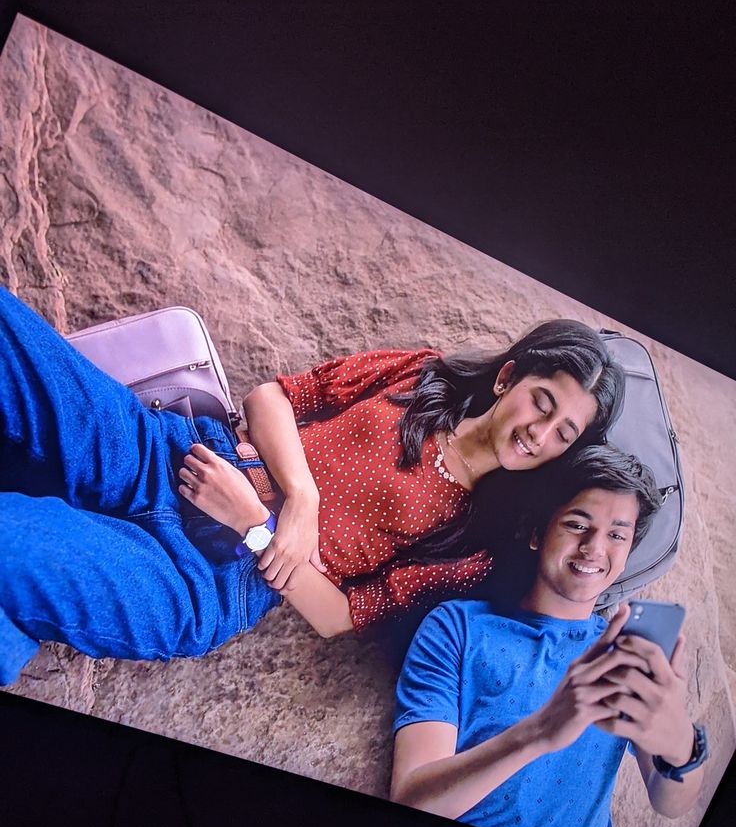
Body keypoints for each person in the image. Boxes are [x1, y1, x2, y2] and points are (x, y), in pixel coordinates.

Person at [0, 285, 623, 684]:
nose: (541, 434)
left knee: (15, 546)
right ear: (507, 378)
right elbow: (274, 395)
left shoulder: (473, 541)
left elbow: (338, 616)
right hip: (175, 459)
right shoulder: (420, 373)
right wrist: (301, 499)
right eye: (542, 403)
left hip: (210, 580)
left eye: (564, 433)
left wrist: (254, 528)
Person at [390, 446, 707, 827]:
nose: (595, 548)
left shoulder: (624, 652)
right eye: (578, 524)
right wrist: (540, 731)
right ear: (538, 532)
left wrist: (678, 741)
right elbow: (411, 801)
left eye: (617, 534)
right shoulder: (457, 628)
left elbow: (671, 803)